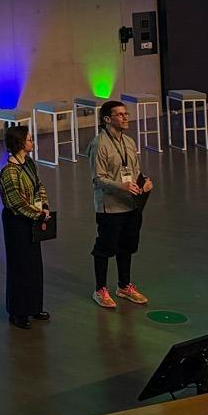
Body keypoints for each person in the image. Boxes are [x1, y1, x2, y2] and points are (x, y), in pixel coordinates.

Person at [87, 99, 153, 310]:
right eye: (120, 114)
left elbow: (135, 171)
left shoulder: (130, 142)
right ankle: (100, 289)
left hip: (131, 205)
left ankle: (124, 286)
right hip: (111, 207)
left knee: (127, 246)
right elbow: (98, 179)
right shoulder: (99, 145)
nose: (125, 118)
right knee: (105, 248)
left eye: (126, 114)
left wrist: (145, 181)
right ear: (107, 119)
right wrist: (121, 186)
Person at [0, 123, 51, 329]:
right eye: (29, 139)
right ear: (20, 143)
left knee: (34, 266)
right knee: (20, 267)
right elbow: (16, 203)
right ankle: (18, 311)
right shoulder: (9, 172)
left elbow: (39, 185)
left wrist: (44, 205)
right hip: (17, 223)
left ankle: (34, 306)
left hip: (32, 219)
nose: (32, 142)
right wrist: (39, 214)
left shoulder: (28, 163)